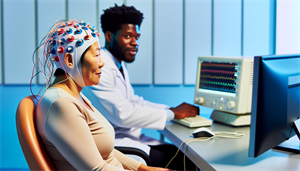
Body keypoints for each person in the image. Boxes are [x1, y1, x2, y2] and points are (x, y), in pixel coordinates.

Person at [33, 19, 173, 171]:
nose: (102, 63)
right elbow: (97, 169)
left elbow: (105, 153)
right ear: (69, 60)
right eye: (96, 56)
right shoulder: (61, 104)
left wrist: (143, 169)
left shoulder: (75, 95)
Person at [82, 4, 199, 170]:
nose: (135, 43)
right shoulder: (101, 68)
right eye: (127, 36)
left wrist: (171, 109)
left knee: (185, 155)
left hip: (130, 138)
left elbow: (134, 101)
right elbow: (123, 114)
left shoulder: (117, 65)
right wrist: (172, 113)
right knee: (185, 162)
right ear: (109, 36)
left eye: (137, 37)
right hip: (116, 145)